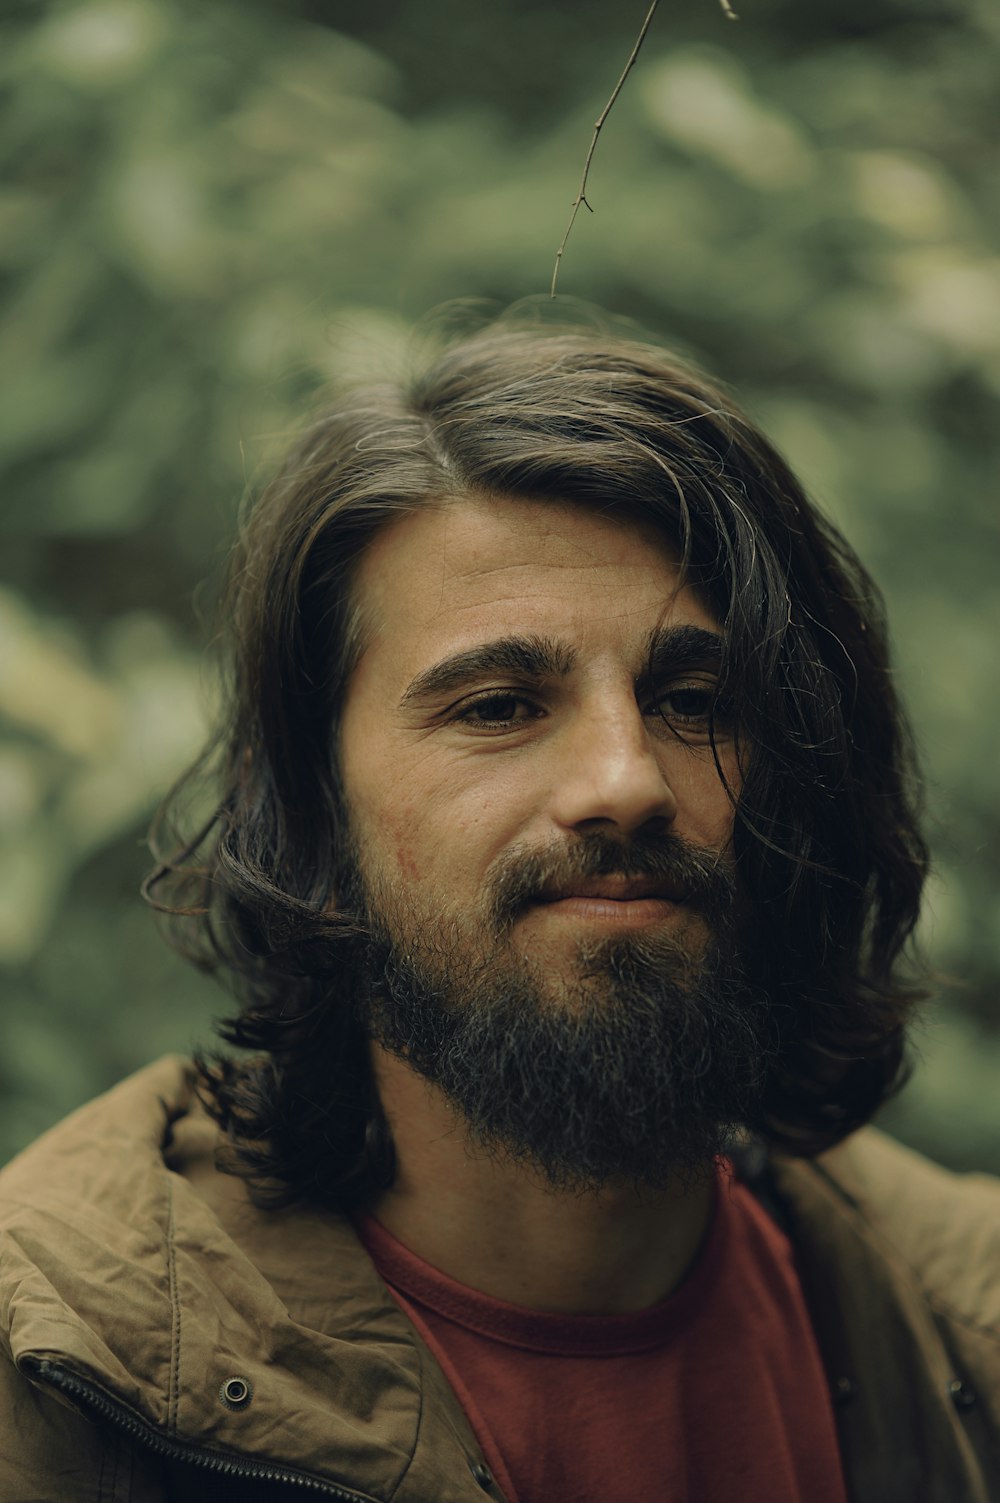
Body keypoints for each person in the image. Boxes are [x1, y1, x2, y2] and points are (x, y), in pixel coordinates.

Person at [1, 323, 997, 1503]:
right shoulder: (61, 1374)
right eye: (498, 705)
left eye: (691, 698)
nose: (624, 779)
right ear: (315, 817)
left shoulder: (960, 1309)